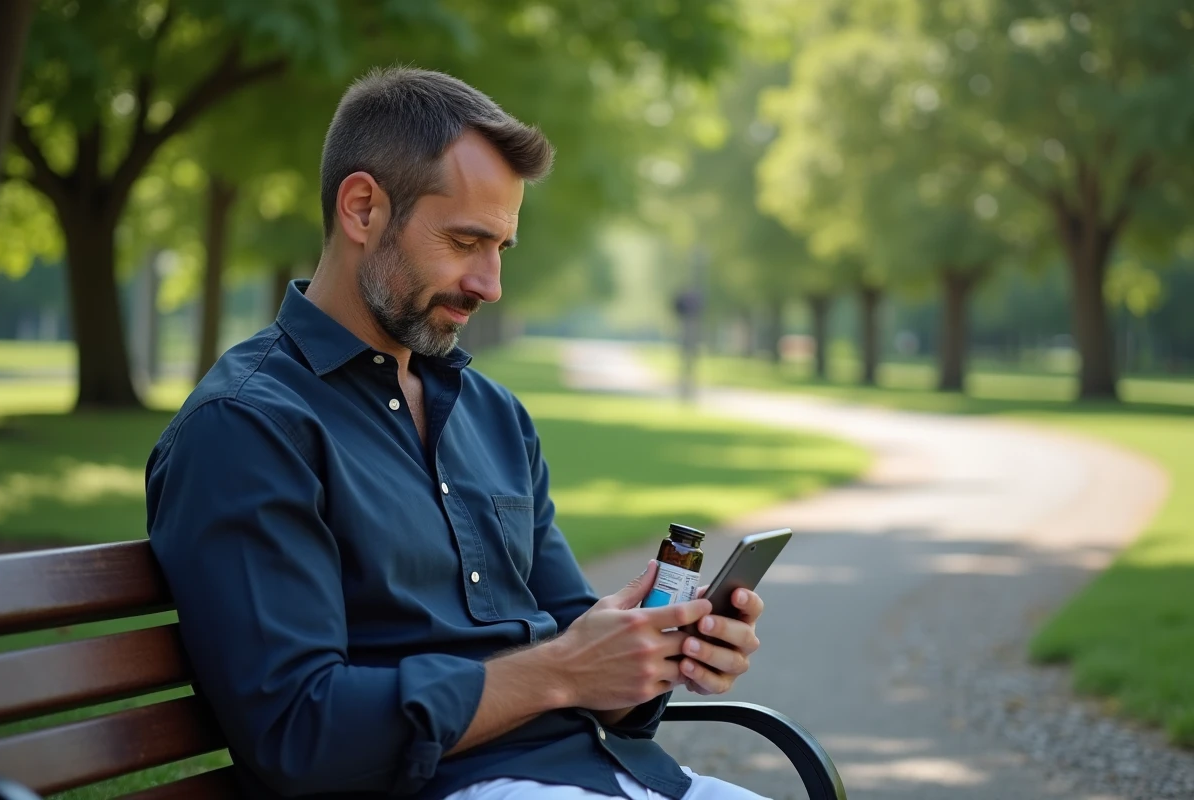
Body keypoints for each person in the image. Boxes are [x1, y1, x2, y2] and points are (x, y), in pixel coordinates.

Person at [145, 67, 769, 800]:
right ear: (362, 209)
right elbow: (297, 731)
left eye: (501, 247)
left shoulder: (493, 416)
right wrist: (559, 670)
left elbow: (579, 648)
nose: (489, 283)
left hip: (594, 776)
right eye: (466, 241)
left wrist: (648, 658)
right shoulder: (247, 428)